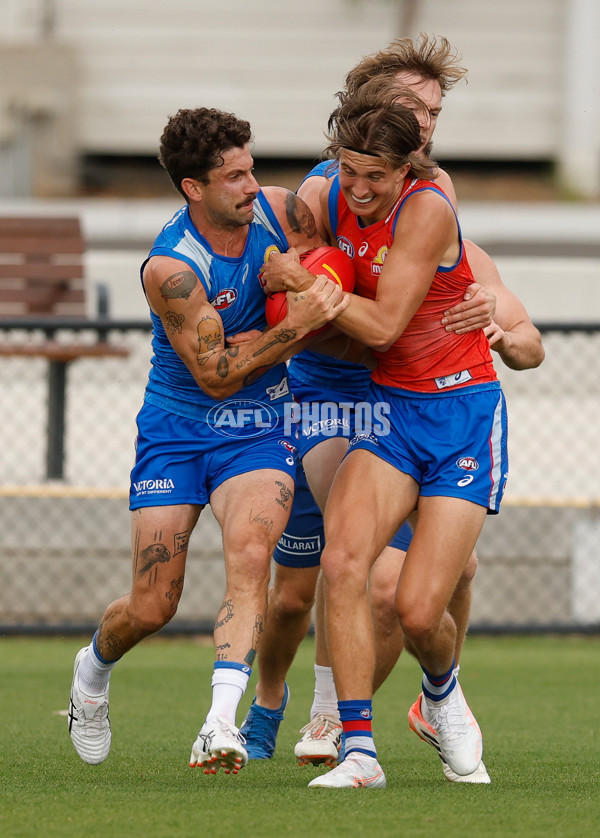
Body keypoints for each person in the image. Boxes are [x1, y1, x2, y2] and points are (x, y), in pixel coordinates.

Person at [241, 34, 543, 784]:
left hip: (453, 408)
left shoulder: (429, 202)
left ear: (405, 162)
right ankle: (351, 745)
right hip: (349, 400)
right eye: (414, 105)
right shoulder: (329, 191)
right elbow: (290, 290)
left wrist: (502, 331)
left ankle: (439, 693)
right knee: (332, 575)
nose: (428, 120)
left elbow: (386, 324)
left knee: (416, 601)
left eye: (434, 111)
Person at [66, 106, 349, 774]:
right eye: (234, 177)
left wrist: (304, 289)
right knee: (153, 604)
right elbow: (216, 376)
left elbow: (335, 276)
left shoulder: (282, 213)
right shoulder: (171, 270)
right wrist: (293, 326)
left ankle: (219, 724)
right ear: (193, 188)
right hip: (178, 428)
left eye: (251, 168)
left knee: (252, 555)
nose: (254, 186)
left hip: (261, 425)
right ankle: (91, 670)